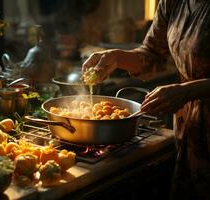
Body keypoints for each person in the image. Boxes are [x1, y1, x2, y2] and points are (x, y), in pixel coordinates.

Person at [82, 0, 210, 199]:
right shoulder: (173, 3)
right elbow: (152, 54)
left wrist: (187, 91)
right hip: (188, 128)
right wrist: (116, 57)